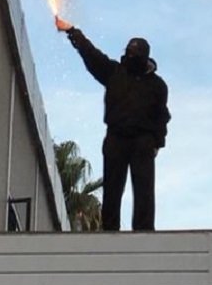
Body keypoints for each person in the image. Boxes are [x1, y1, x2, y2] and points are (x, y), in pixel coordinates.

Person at [55, 16, 171, 231]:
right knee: (112, 188)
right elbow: (91, 55)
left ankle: (144, 232)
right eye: (129, 53)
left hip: (143, 140)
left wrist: (157, 143)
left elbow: (161, 116)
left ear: (145, 58)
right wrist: (72, 31)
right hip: (116, 137)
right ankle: (110, 231)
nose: (131, 57)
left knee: (144, 190)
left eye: (134, 54)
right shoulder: (114, 72)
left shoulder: (157, 85)